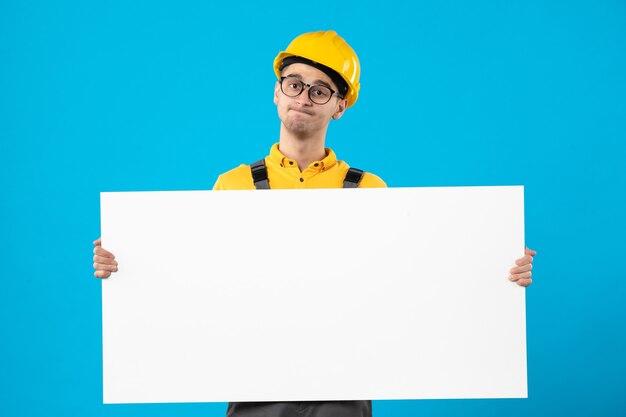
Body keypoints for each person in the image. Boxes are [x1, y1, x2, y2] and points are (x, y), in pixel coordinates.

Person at [93, 30, 537, 417]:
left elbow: (414, 282)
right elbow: (198, 280)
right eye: (294, 83)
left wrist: (498, 273)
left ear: (340, 106)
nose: (303, 97)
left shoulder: (369, 190)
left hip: (344, 388)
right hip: (254, 385)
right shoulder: (233, 186)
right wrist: (127, 269)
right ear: (276, 92)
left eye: (320, 90)